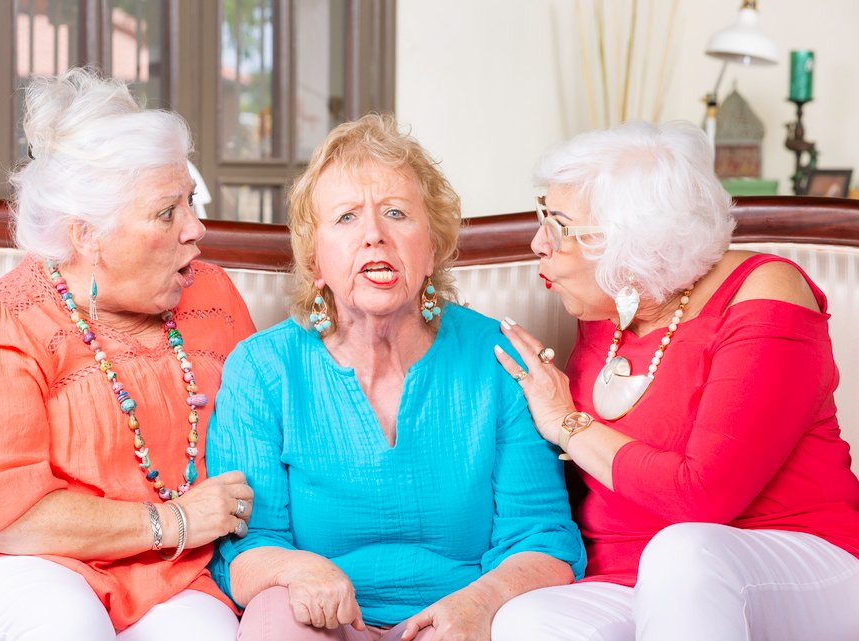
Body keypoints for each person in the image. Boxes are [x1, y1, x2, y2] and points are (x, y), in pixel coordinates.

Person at [0, 68, 256, 640]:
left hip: (159, 573)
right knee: (64, 621)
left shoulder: (211, 298)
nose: (196, 229)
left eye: (190, 203)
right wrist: (177, 520)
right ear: (87, 236)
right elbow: (4, 519)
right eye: (166, 212)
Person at [207, 113, 586, 641]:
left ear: (430, 249)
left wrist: (480, 603)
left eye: (396, 213)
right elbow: (245, 551)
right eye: (345, 218)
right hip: (316, 615)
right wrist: (299, 570)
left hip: (465, 615)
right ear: (315, 260)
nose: (374, 237)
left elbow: (542, 537)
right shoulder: (262, 369)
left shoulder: (496, 359)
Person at [492, 120, 859, 640]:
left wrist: (565, 422)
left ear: (628, 242)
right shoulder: (607, 307)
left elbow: (702, 497)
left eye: (557, 224)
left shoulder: (763, 294)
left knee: (683, 553)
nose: (537, 242)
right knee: (529, 620)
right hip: (630, 573)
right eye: (541, 214)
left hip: (799, 556)